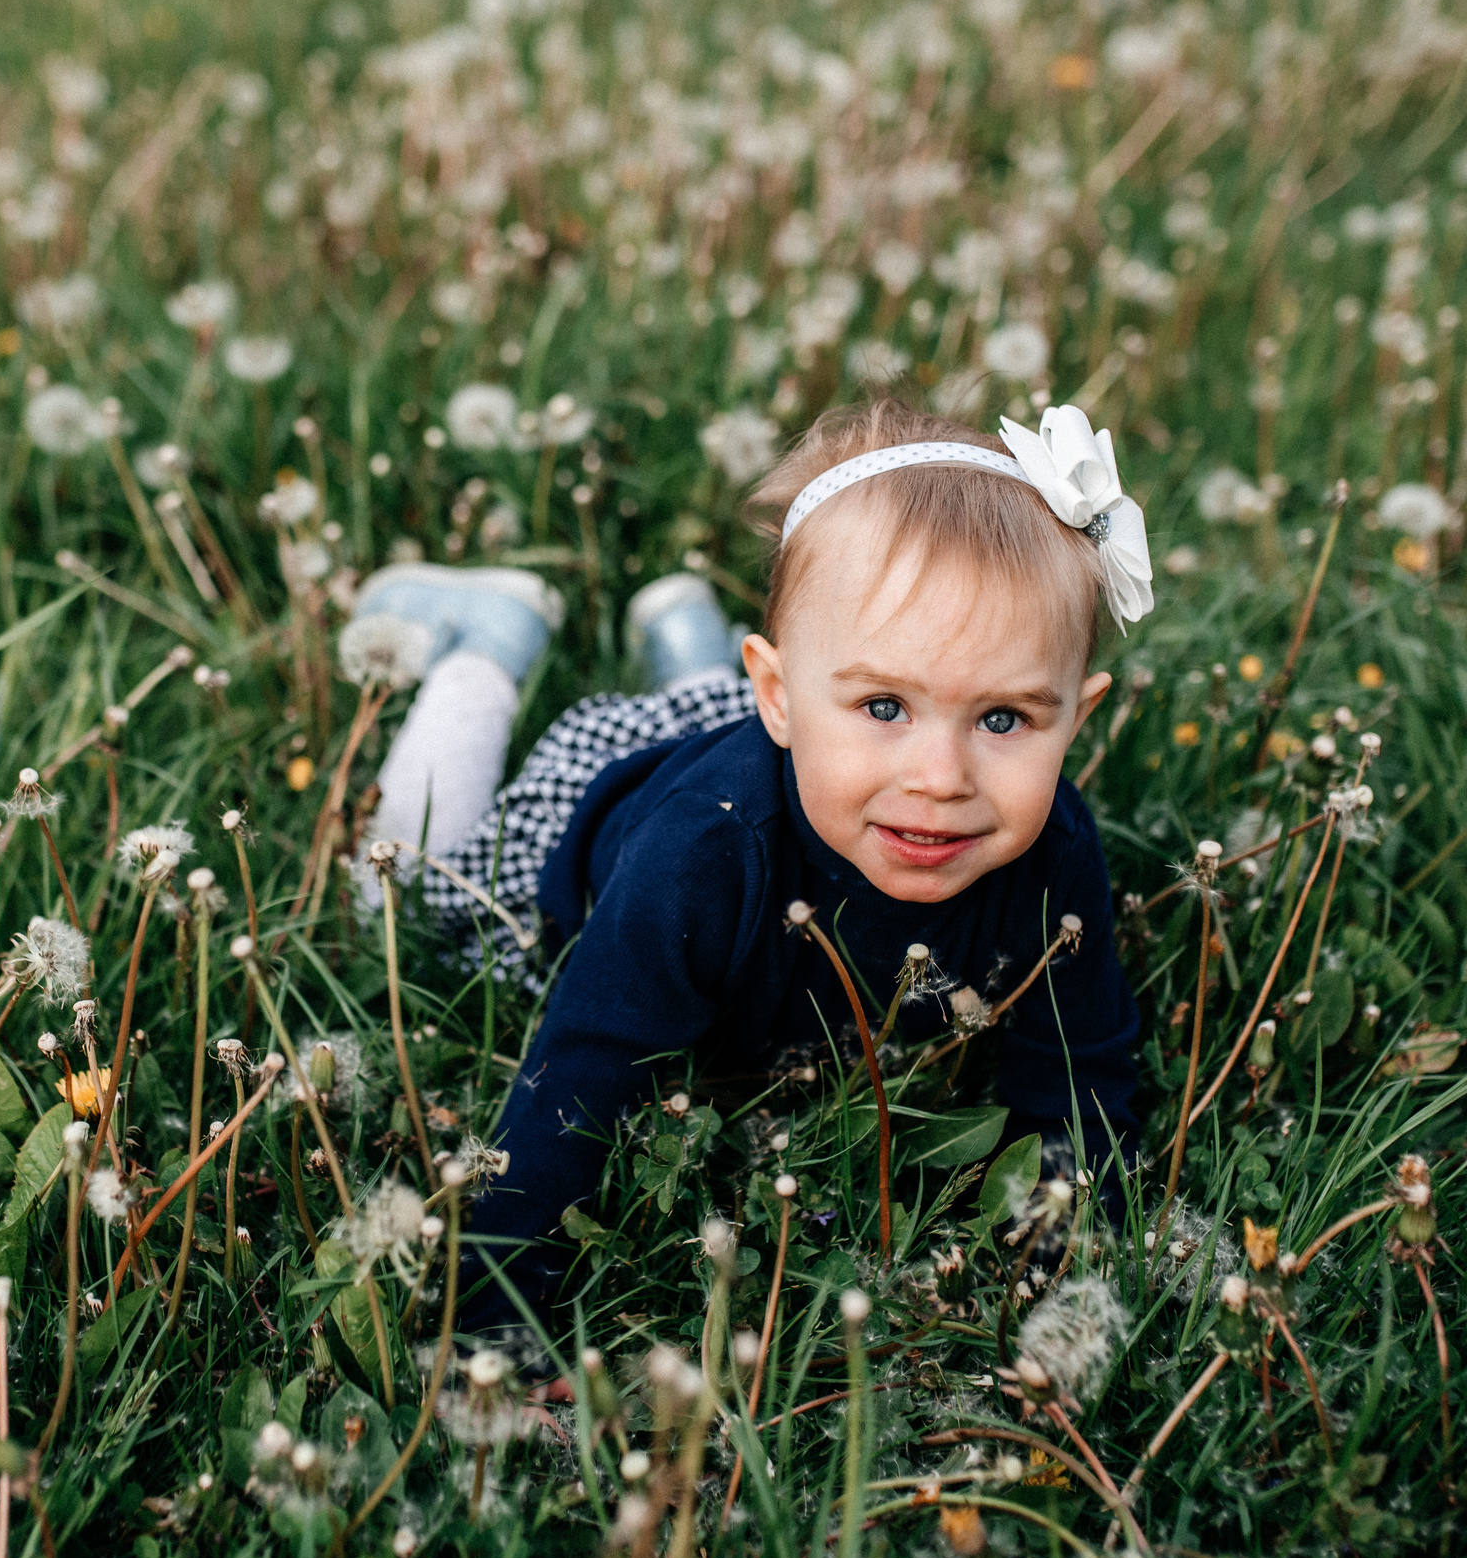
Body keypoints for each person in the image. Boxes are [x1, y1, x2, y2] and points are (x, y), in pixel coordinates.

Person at [341, 398, 1152, 1326]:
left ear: (1076, 717)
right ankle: (486, 649)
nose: (941, 778)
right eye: (885, 706)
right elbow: (584, 1067)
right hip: (609, 821)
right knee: (399, 887)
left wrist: (1067, 1253)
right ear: (779, 692)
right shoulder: (698, 852)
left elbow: (1079, 1073)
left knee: (751, 727)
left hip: (772, 751)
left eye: (1003, 718)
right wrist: (497, 1313)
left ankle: (692, 646)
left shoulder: (1054, 851)